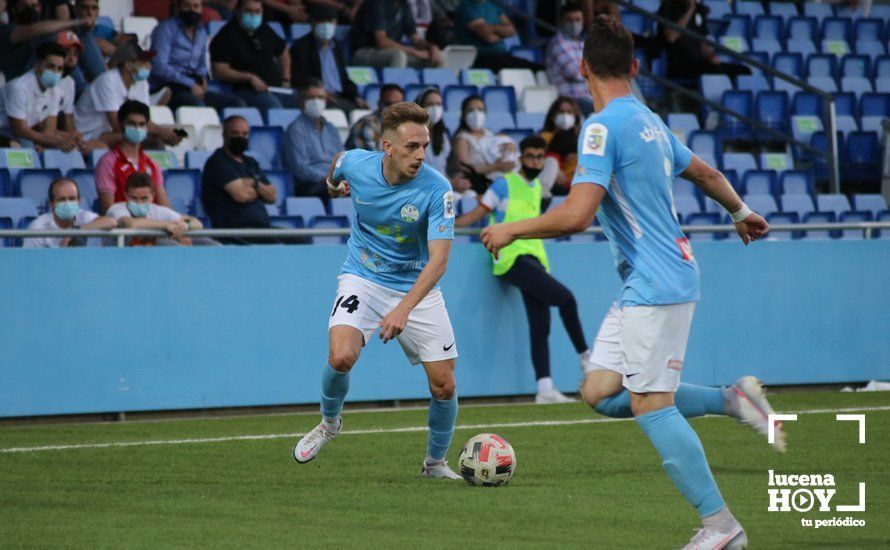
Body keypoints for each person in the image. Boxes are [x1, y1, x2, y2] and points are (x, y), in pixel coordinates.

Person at [481, 16, 782, 549]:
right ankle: (732, 399)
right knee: (599, 391)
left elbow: (576, 215)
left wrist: (510, 227)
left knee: (650, 404)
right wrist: (742, 210)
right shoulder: (649, 119)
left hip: (656, 280)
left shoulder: (600, 128)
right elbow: (708, 175)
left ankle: (721, 528)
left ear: (581, 68)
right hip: (652, 278)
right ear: (636, 67)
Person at [293, 102, 461, 479]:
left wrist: (403, 308)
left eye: (424, 146)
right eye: (410, 147)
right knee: (340, 357)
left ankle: (435, 463)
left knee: (445, 384)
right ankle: (329, 423)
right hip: (363, 277)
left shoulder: (438, 190)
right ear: (387, 146)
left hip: (417, 285)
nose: (420, 155)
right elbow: (336, 166)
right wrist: (334, 187)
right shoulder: (357, 163)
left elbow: (439, 262)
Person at [456, 135, 589, 403]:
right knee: (566, 299)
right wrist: (444, 225)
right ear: (521, 158)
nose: (535, 161)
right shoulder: (503, 183)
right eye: (530, 156)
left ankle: (545, 389)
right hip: (510, 259)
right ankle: (588, 359)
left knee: (541, 324)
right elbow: (477, 215)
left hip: (534, 259)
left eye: (540, 157)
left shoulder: (536, 188)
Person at [73, 41, 183, 146]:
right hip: (87, 134)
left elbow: (142, 119)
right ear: (129, 65)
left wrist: (164, 133)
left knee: (154, 142)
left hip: (111, 133)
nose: (149, 66)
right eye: (144, 62)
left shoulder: (142, 83)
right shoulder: (107, 80)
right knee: (133, 139)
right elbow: (117, 125)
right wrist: (158, 133)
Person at [149, 0, 246, 112]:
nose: (192, 10)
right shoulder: (165, 28)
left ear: (201, 9)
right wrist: (190, 84)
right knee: (198, 107)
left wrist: (202, 79)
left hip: (194, 86)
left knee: (236, 104)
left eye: (196, 6)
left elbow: (201, 64)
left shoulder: (201, 32)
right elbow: (159, 66)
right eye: (187, 6)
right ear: (178, 8)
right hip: (169, 88)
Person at [200, 115, 278, 243]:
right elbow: (240, 195)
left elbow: (272, 196)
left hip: (261, 229)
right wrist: (257, 185)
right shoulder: (217, 162)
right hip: (233, 230)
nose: (240, 138)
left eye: (245, 134)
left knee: (299, 241)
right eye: (235, 133)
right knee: (277, 247)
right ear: (224, 135)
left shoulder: (251, 163)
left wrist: (253, 184)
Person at [209, 0, 297, 111]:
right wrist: (249, 77)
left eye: (257, 12)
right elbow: (219, 71)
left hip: (276, 89)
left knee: (302, 101)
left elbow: (283, 51)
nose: (253, 15)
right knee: (273, 106)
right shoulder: (225, 36)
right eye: (248, 11)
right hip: (245, 91)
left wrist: (286, 78)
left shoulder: (264, 30)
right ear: (237, 11)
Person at [0, 41, 83, 151]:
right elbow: (19, 130)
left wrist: (67, 139)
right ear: (37, 65)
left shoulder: (55, 91)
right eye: (50, 67)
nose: (55, 73)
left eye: (59, 69)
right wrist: (56, 142)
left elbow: (49, 131)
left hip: (19, 136)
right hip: (5, 133)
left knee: (70, 149)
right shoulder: (19, 88)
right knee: (22, 148)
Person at [94, 100, 171, 214]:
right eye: (131, 124)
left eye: (141, 125)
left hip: (151, 227)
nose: (137, 128)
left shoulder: (152, 164)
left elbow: (165, 208)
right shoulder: (107, 162)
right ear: (121, 125)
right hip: (122, 228)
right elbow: (108, 210)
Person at [288, 4, 366, 113]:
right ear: (312, 23)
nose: (326, 25)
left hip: (340, 98)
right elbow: (300, 80)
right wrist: (321, 94)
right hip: (318, 99)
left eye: (330, 21)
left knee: (363, 114)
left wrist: (356, 97)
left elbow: (344, 79)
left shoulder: (337, 46)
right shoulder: (301, 47)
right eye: (321, 21)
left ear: (335, 23)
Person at [106, 172, 210, 246]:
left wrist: (185, 225)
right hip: (118, 262)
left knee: (208, 243)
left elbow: (198, 224)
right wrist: (167, 225)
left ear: (152, 196)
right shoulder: (117, 209)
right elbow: (132, 224)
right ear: (126, 196)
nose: (139, 203)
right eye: (134, 198)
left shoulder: (158, 210)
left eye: (144, 198)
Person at [0, 0, 94, 81]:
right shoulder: (5, 30)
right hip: (20, 81)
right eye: (24, 6)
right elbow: (32, 29)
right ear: (13, 9)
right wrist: (77, 22)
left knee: (80, 35)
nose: (30, 10)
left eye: (34, 6)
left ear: (40, 8)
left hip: (43, 78)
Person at [658, 0, 751, 80]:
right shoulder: (668, 7)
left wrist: (711, 56)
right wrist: (690, 10)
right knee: (715, 71)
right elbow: (671, 37)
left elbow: (703, 42)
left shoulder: (699, 10)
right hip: (679, 63)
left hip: (699, 61)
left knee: (744, 71)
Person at [282, 78, 343, 198]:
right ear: (301, 101)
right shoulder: (296, 129)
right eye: (310, 97)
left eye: (320, 97)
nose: (316, 101)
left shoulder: (331, 128)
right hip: (309, 185)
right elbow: (299, 168)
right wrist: (325, 178)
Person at [23, 176, 115, 247]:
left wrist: (76, 232)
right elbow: (29, 261)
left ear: (79, 201)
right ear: (52, 203)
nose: (67, 203)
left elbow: (111, 222)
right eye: (62, 199)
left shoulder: (83, 217)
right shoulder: (38, 227)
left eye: (72, 199)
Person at [450, 95, 517, 192]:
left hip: (497, 181)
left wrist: (509, 146)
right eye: (471, 110)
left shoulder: (490, 135)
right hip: (477, 186)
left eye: (480, 110)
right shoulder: (462, 139)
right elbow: (468, 171)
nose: (476, 114)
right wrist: (497, 167)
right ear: (463, 114)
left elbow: (497, 154)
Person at [349, 0, 443, 68]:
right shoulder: (377, 3)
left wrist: (431, 47)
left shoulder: (404, 5)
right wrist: (414, 52)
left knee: (440, 57)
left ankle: (431, 94)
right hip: (364, 51)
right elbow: (381, 41)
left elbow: (416, 38)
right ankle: (393, 93)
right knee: (398, 56)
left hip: (389, 52)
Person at [452, 0, 543, 71]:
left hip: (502, 56)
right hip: (479, 58)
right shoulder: (466, 7)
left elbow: (511, 30)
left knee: (537, 69)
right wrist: (502, 33)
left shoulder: (493, 5)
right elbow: (488, 38)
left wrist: (492, 29)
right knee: (511, 69)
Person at [417, 88, 472, 195]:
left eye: (438, 104)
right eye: (430, 104)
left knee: (470, 195)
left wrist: (458, 179)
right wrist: (451, 182)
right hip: (423, 187)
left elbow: (453, 166)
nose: (435, 108)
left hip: (443, 185)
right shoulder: (412, 135)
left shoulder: (444, 135)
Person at [545, 3, 594, 115]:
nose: (573, 24)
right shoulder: (557, 43)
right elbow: (577, 73)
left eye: (577, 20)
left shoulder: (583, 43)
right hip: (569, 101)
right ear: (561, 22)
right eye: (569, 20)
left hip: (589, 98)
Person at [538, 96, 582, 197]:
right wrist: (556, 170)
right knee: (552, 163)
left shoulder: (584, 139)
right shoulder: (543, 137)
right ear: (553, 116)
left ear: (575, 117)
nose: (565, 116)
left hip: (576, 185)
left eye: (569, 112)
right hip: (552, 183)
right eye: (561, 112)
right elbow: (535, 160)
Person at [346, 83, 404, 151]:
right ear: (379, 104)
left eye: (398, 104)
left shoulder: (404, 124)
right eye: (388, 104)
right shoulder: (367, 124)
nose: (394, 108)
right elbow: (374, 159)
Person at [71, 0, 109, 82]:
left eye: (94, 8)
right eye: (85, 8)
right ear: (75, 9)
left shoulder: (104, 29)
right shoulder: (74, 33)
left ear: (98, 11)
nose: (90, 12)